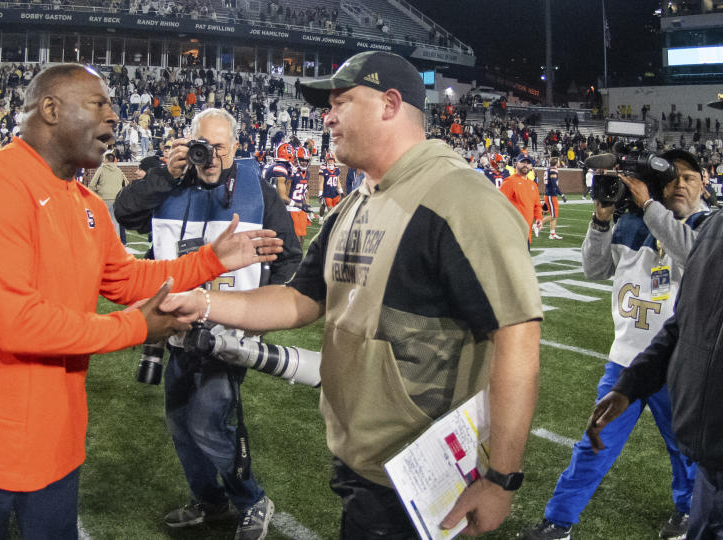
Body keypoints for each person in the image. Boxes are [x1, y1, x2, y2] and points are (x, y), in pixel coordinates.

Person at [159, 51, 543, 539]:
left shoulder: (459, 199)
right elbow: (301, 298)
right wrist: (205, 305)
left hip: (423, 472)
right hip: (364, 461)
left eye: (341, 101)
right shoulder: (359, 199)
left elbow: (517, 335)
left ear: (389, 104)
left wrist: (502, 478)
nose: (327, 116)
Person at [0, 64, 284, 540]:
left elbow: (126, 277)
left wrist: (210, 261)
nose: (115, 117)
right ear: (50, 109)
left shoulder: (86, 204)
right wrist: (136, 328)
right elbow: (18, 323)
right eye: (99, 104)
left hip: (55, 428)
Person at [115, 108, 302, 540]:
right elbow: (125, 213)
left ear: (235, 147)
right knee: (181, 424)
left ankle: (252, 500)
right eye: (204, 146)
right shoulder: (171, 184)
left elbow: (290, 256)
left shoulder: (257, 191)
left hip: (229, 334)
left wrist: (262, 309)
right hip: (175, 333)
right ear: (190, 144)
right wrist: (166, 173)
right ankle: (211, 502)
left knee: (206, 421)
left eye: (220, 147)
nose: (211, 156)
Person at [521, 149, 707, 540]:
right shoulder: (629, 223)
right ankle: (559, 522)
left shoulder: (707, 224)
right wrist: (601, 219)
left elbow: (692, 255)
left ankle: (689, 512)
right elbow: (593, 269)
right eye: (674, 178)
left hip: (676, 362)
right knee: (595, 440)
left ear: (703, 181)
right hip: (624, 360)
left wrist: (650, 206)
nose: (681, 185)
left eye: (688, 177)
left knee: (686, 450)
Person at [587, 195, 723, 540]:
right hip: (711, 450)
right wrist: (630, 384)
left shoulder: (708, 226)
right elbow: (683, 323)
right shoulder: (716, 228)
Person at [500, 154, 543, 244]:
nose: (525, 165)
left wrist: (539, 218)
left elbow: (537, 205)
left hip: (527, 233)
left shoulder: (533, 185)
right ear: (516, 164)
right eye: (522, 162)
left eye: (528, 163)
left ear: (531, 166)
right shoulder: (509, 182)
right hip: (513, 232)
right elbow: (499, 204)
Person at [91, 150, 128, 244]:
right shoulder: (119, 170)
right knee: (115, 222)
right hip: (117, 199)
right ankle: (115, 243)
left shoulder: (101, 169)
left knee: (101, 221)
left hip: (104, 198)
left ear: (106, 160)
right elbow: (125, 184)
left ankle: (102, 242)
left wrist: (95, 192)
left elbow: (92, 184)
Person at [278, 146, 311, 249]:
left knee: (302, 238)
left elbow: (305, 190)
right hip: (291, 208)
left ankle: (299, 259)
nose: (304, 163)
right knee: (295, 238)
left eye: (306, 160)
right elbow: (286, 194)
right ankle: (295, 260)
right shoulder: (291, 172)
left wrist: (307, 204)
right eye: (302, 160)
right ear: (297, 159)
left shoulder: (307, 173)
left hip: (301, 208)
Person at [543, 158, 564, 240]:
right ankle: (538, 224)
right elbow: (554, 184)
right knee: (554, 215)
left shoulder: (549, 169)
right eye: (558, 161)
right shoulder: (553, 170)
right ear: (556, 163)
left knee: (554, 216)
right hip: (551, 194)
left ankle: (552, 234)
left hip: (550, 194)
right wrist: (561, 194)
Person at [318, 152, 342, 218]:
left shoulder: (337, 169)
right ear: (326, 160)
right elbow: (321, 183)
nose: (331, 161)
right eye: (329, 159)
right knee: (327, 207)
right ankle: (321, 217)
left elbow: (338, 182)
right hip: (326, 192)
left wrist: (341, 192)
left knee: (337, 208)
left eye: (332, 159)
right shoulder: (323, 169)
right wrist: (320, 194)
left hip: (334, 192)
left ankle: (333, 220)